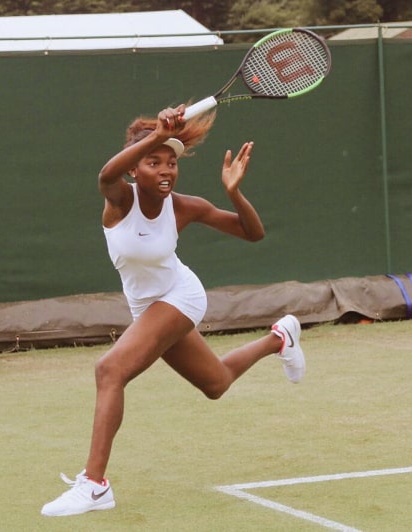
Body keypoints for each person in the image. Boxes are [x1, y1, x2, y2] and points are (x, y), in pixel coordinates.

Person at [41, 104, 306, 517]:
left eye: (171, 162)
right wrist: (157, 134)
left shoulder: (184, 206)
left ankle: (95, 485)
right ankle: (280, 338)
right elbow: (105, 175)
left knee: (109, 370)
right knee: (215, 383)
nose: (166, 170)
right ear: (135, 168)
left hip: (180, 296)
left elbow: (252, 233)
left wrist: (234, 192)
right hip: (146, 307)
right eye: (154, 162)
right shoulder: (119, 197)